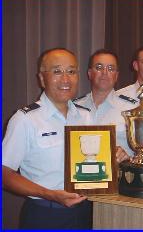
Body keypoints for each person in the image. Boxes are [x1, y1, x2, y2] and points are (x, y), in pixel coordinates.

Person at [2, 48, 129, 229]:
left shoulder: (86, 116)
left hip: (86, 211)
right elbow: (4, 174)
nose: (65, 79)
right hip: (44, 215)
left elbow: (92, 159)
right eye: (57, 71)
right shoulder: (25, 119)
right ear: (41, 78)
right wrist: (50, 194)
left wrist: (115, 156)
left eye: (71, 71)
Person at [74, 49, 134, 157]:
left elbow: (142, 153)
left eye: (110, 68)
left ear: (116, 75)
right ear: (89, 73)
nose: (104, 73)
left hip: (120, 172)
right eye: (99, 67)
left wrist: (128, 157)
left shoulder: (132, 109)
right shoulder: (74, 107)